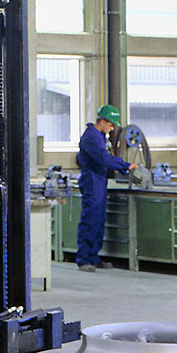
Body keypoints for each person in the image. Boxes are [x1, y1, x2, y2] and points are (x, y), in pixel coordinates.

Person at [76, 104, 137, 272]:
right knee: (90, 220)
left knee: (99, 220)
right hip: (92, 181)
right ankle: (84, 259)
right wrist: (124, 165)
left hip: (99, 181)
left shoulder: (100, 136)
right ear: (102, 121)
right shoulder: (91, 137)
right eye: (110, 125)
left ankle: (93, 257)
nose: (112, 128)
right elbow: (103, 158)